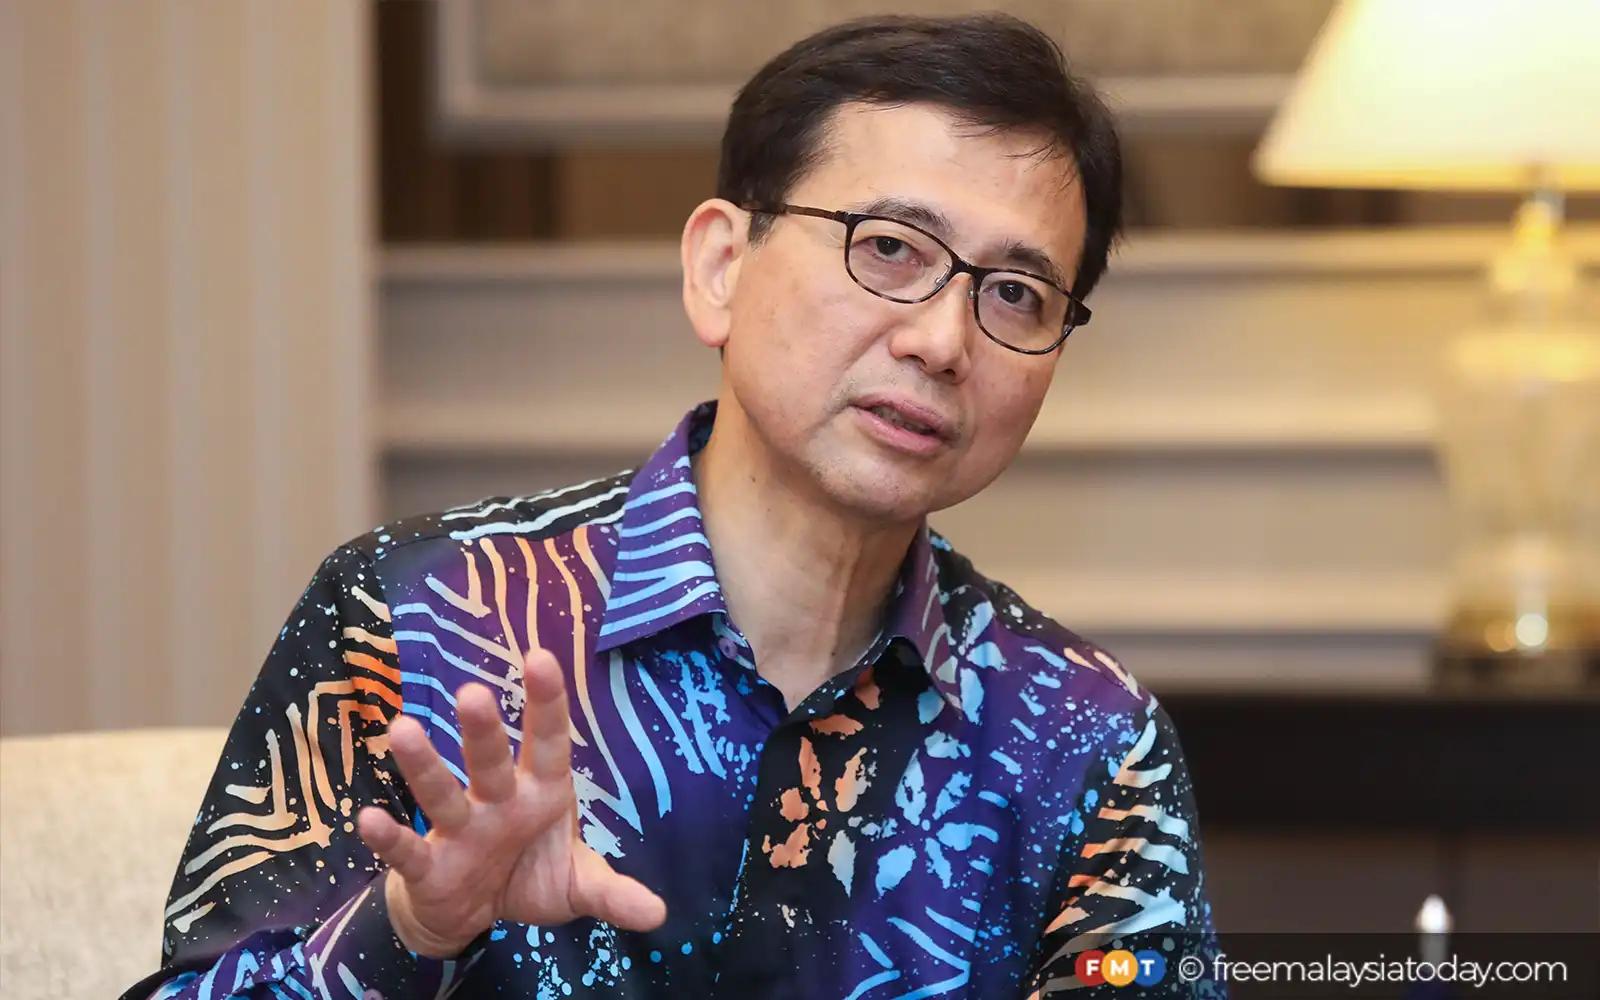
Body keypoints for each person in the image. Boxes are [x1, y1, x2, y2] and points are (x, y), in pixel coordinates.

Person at [124, 13, 1221, 999]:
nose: (942, 341)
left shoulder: (1085, 737)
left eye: (1016, 293)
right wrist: (411, 928)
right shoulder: (416, 611)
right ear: (720, 268)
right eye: (889, 248)